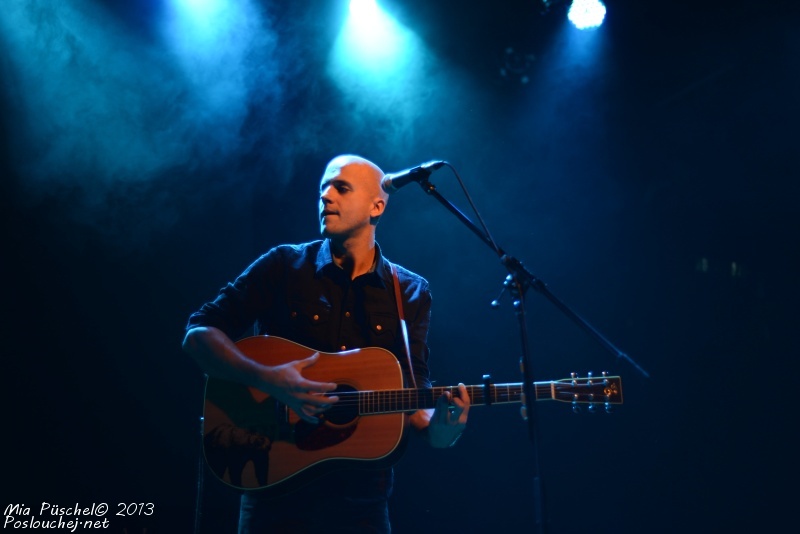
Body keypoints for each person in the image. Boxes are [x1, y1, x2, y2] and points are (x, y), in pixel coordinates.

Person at [183, 154, 470, 533]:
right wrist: (269, 379)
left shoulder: (410, 291)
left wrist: (446, 428)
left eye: (341, 188)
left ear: (377, 205)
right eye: (322, 189)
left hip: (362, 504)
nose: (325, 197)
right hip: (274, 489)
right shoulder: (284, 266)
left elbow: (414, 403)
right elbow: (198, 334)